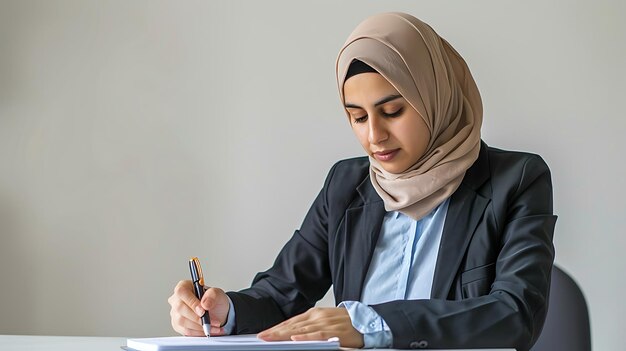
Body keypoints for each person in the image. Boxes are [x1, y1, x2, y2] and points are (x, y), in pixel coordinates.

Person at [167, 11, 557, 350]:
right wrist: (223, 312)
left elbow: (514, 314)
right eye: (357, 117)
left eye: (392, 111)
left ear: (437, 99)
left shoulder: (515, 180)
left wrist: (371, 324)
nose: (374, 136)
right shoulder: (346, 184)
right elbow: (282, 294)